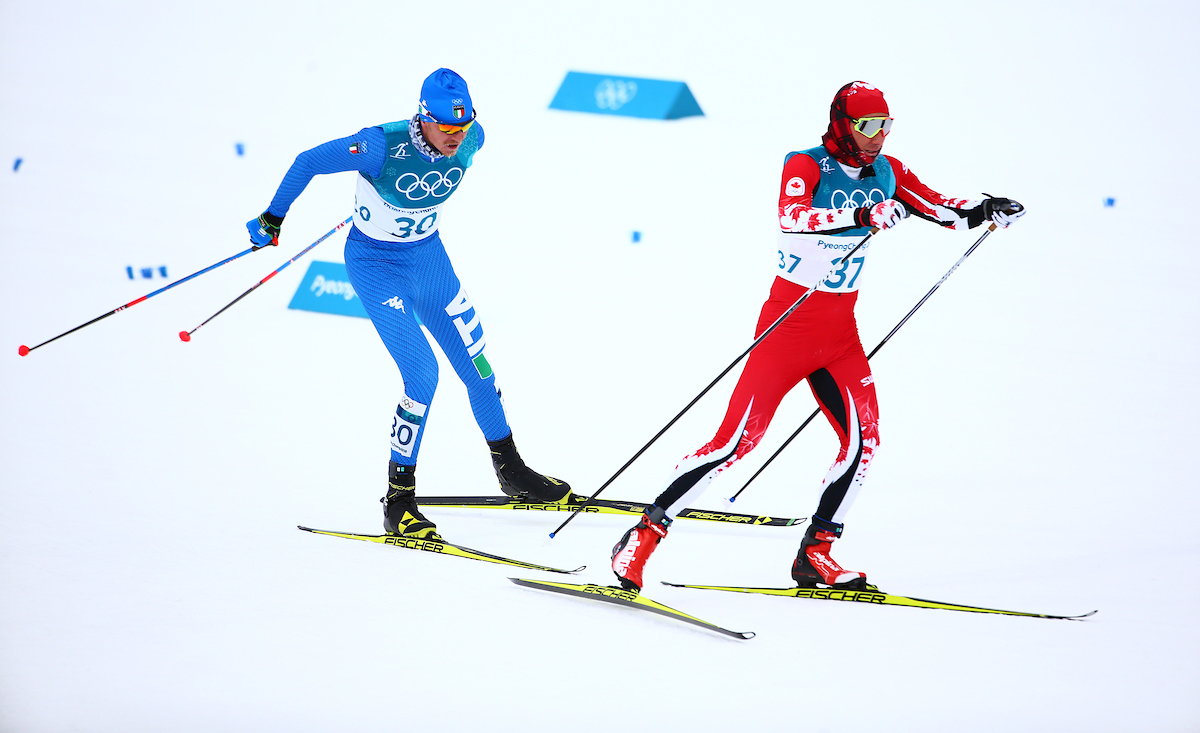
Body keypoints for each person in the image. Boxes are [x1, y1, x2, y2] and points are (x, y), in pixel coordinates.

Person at [610, 81, 1024, 591]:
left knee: (863, 442)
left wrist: (987, 210)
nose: (876, 137)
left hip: (840, 334)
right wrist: (861, 214)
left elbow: (944, 208)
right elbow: (792, 218)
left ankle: (816, 553)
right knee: (735, 445)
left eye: (885, 126)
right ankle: (642, 537)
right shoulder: (805, 164)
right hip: (787, 327)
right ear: (840, 124)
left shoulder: (887, 173)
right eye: (866, 126)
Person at [247, 68, 571, 541]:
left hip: (429, 262)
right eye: (448, 130)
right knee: (423, 375)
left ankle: (512, 472)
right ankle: (399, 499)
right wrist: (272, 219)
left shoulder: (474, 138)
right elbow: (307, 161)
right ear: (424, 119)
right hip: (376, 266)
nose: (458, 139)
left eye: (464, 128)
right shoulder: (379, 145)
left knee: (478, 369)